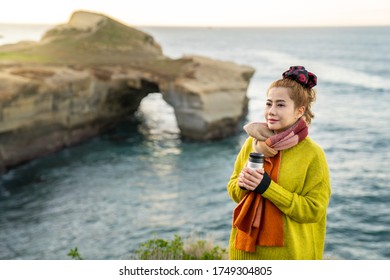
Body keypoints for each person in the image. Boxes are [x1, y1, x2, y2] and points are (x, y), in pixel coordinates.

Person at [227, 66, 331, 260]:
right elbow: (234, 191)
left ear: (299, 111)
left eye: (280, 105)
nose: (271, 112)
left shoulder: (312, 154)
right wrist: (243, 183)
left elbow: (313, 210)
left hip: (289, 256)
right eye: (268, 103)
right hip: (243, 253)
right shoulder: (252, 142)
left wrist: (267, 188)